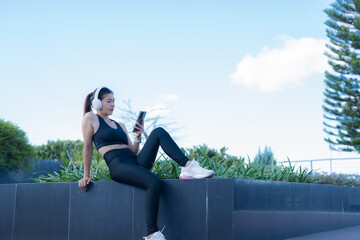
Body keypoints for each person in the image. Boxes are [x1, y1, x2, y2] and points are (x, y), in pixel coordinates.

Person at [78, 87, 214, 240]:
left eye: (114, 101)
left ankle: (187, 166)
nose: (113, 104)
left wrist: (138, 136)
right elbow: (88, 149)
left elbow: (133, 150)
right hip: (118, 165)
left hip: (133, 161)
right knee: (154, 182)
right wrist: (85, 176)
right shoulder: (90, 118)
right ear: (97, 103)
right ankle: (152, 233)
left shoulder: (120, 125)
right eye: (109, 101)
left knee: (158, 131)